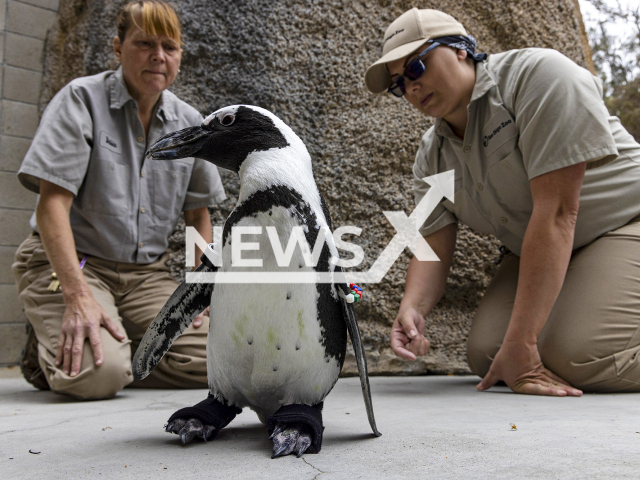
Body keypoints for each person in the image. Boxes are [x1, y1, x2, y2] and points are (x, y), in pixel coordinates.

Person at [364, 8, 640, 395]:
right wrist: (412, 309)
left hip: (624, 223)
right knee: (487, 354)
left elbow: (559, 212)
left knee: (578, 354)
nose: (410, 88)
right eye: (398, 84)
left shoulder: (539, 77)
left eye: (416, 67)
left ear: (460, 49)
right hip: (549, 248)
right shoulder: (431, 156)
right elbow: (431, 247)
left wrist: (524, 344)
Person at [12, 0, 226, 400]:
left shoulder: (191, 124)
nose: (158, 57)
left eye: (169, 47)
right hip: (76, 266)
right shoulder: (80, 100)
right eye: (144, 43)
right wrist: (77, 296)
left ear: (180, 56)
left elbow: (198, 216)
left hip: (146, 277)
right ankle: (64, 348)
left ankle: (118, 342)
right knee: (97, 377)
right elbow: (51, 205)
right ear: (117, 47)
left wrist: (200, 290)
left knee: (220, 359)